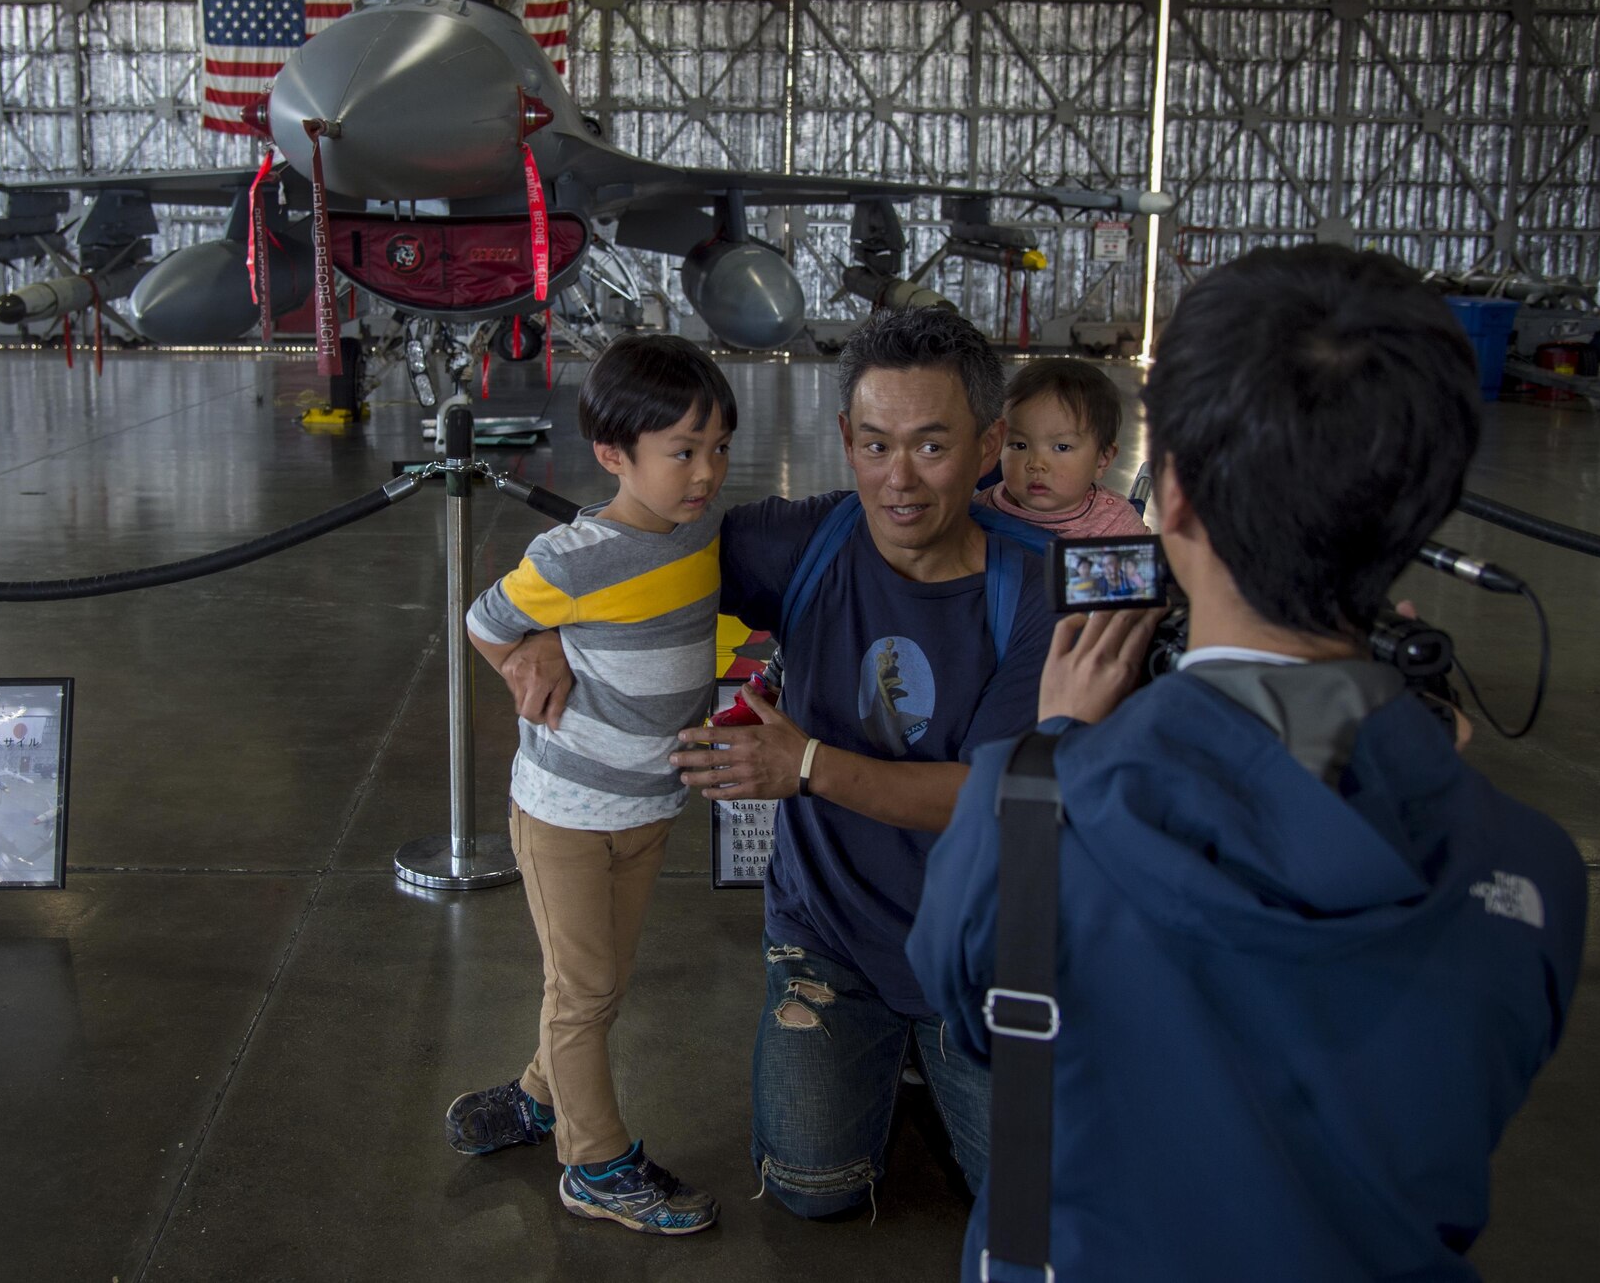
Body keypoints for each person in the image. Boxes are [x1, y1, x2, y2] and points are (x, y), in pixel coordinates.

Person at [907, 244, 1588, 1281]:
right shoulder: (1530, 873)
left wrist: (1051, 744)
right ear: (1419, 511)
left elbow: (961, 1004)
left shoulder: (1027, 814)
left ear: (1169, 501)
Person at [501, 306, 1055, 1218]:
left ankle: (928, 1049)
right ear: (844, 436)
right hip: (829, 935)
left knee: (1032, 1200)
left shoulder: (1032, 590)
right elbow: (638, 553)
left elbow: (991, 800)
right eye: (874, 445)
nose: (898, 479)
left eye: (931, 445)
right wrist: (557, 630)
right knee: (811, 1186)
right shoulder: (803, 542)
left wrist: (805, 767)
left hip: (977, 943)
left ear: (992, 439)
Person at [445, 333, 735, 1237]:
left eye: (718, 447)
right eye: (682, 451)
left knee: (601, 981)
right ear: (615, 455)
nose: (705, 473)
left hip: (650, 805)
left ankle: (540, 1098)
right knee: (584, 992)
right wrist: (527, 662)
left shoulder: (704, 530)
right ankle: (596, 1163)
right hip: (566, 811)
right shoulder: (575, 557)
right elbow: (482, 619)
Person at [974, 358, 1148, 537]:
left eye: (1062, 447)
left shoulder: (1116, 526)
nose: (1036, 464)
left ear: (1102, 460)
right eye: (1020, 445)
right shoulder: (979, 513)